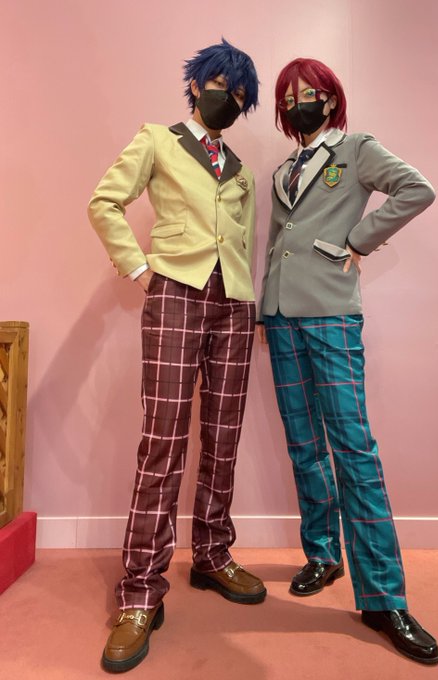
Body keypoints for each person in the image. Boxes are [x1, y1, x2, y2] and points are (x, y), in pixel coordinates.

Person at [88, 39, 265, 674]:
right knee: (163, 440)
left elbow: (242, 239)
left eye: (239, 94)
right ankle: (140, 590)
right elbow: (104, 202)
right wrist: (140, 269)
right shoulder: (157, 141)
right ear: (195, 85)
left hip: (233, 304)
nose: (228, 98)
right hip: (175, 294)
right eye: (220, 85)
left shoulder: (240, 170)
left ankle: (212, 554)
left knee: (223, 434)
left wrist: (249, 302)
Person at [257, 57, 438, 665]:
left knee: (353, 449)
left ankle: (384, 597)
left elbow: (417, 188)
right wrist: (266, 307)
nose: (298, 104)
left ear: (331, 100)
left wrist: (358, 241)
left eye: (309, 93)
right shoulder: (283, 169)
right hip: (280, 317)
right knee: (303, 444)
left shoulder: (356, 148)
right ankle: (322, 554)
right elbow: (278, 240)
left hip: (332, 314)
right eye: (288, 97)